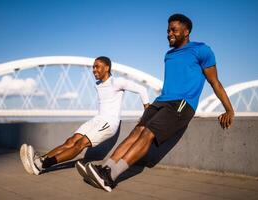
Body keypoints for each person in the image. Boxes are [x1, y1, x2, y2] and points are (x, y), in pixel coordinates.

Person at [83, 14, 235, 192]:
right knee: (136, 132)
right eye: (168, 30)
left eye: (174, 30)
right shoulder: (168, 55)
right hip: (161, 101)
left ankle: (111, 177)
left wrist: (229, 110)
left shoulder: (202, 50)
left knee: (148, 133)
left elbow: (214, 82)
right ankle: (105, 168)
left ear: (186, 32)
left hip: (181, 104)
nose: (169, 33)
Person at [20, 56, 150, 175]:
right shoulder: (98, 84)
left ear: (107, 68)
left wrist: (147, 113)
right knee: (70, 141)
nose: (94, 70)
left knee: (79, 144)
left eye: (97, 66)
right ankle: (40, 160)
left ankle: (42, 164)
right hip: (97, 120)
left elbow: (142, 90)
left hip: (109, 123)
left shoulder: (117, 82)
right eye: (93, 67)